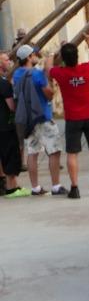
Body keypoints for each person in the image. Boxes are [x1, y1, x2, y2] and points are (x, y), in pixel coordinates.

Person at [49, 36, 89, 199]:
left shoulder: (60, 73)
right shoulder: (88, 68)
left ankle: (75, 188)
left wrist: (54, 53)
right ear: (77, 56)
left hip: (73, 118)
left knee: (72, 153)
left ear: (64, 59)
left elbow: (48, 67)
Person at [13, 45, 64, 196]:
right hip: (43, 116)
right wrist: (51, 84)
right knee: (54, 151)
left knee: (32, 152)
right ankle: (56, 186)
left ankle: (35, 187)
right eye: (34, 54)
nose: (36, 55)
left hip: (28, 119)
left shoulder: (16, 74)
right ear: (29, 57)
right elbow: (49, 94)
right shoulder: (36, 74)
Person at [0, 51, 28, 199]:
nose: (10, 62)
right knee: (11, 155)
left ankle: (10, 185)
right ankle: (11, 188)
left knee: (3, 155)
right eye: (6, 60)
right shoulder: (4, 84)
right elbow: (11, 107)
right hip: (6, 125)